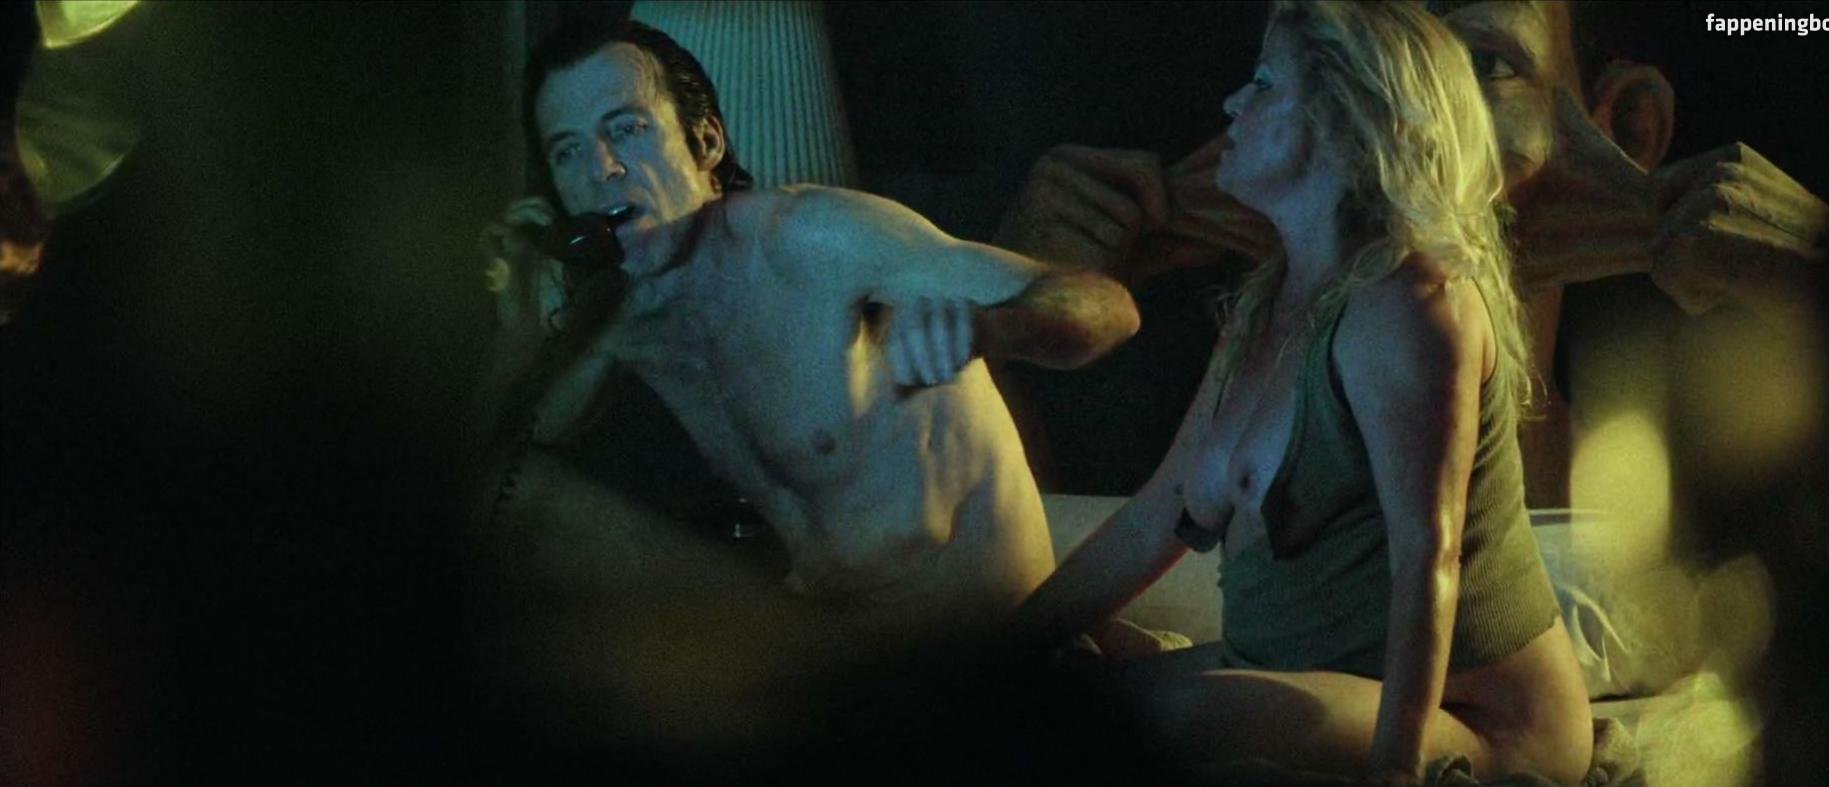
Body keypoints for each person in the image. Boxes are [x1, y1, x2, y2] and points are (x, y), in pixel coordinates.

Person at [466, 18, 1140, 747]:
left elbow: (1107, 306)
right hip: (828, 653)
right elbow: (509, 456)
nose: (601, 170)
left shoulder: (810, 239)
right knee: (509, 505)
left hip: (972, 652)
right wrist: (519, 331)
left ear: (705, 143)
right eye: (568, 151)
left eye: (625, 129)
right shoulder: (617, 314)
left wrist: (994, 329)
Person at [1010, 3, 1592, 782]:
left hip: (1475, 724)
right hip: (1299, 670)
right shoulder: (1267, 305)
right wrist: (986, 657)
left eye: (1262, 83)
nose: (1231, 105)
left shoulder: (1409, 305)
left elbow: (1428, 557)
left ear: (1347, 118)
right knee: (1044, 707)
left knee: (1136, 727)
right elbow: (1156, 518)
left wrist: (1396, 770)